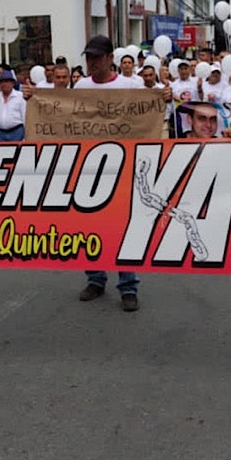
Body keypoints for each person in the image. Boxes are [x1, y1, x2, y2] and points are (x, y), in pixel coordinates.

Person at [75, 35, 150, 311]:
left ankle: (128, 286)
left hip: (124, 167)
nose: (92, 62)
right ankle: (95, 278)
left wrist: (164, 97)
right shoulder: (80, 86)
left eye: (97, 57)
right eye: (88, 57)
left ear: (110, 58)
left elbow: (148, 117)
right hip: (90, 168)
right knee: (91, 226)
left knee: (122, 227)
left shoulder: (130, 85)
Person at [0, 69, 27, 141]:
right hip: (0, 134)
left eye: (6, 81)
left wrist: (25, 137)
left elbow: (25, 117)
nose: (4, 84)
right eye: (2, 82)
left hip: (17, 133)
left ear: (12, 83)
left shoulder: (20, 97)